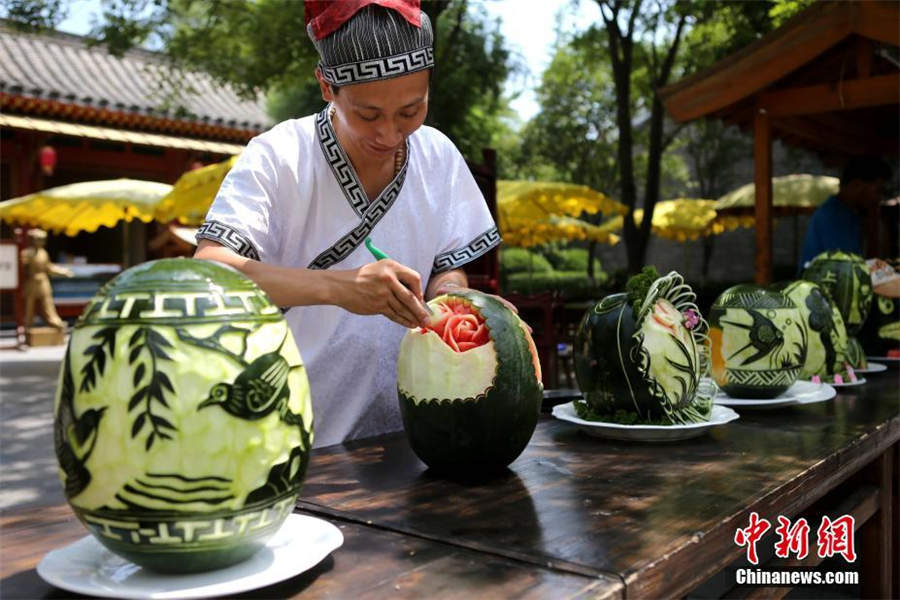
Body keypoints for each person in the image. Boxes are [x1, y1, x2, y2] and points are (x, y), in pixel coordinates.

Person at [194, 0, 500, 447]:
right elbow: (211, 272)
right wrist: (343, 287)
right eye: (368, 115)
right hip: (288, 435)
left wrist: (453, 298)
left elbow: (445, 265)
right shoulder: (280, 156)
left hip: (410, 433)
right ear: (326, 86)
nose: (390, 134)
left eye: (411, 112)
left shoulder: (437, 155)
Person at [799, 156, 892, 268]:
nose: (879, 198)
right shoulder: (832, 216)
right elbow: (851, 271)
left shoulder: (852, 214)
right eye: (878, 191)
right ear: (857, 185)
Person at [20, 228, 73, 330]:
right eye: (39, 239)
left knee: (48, 302)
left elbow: (49, 267)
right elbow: (21, 268)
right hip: (31, 281)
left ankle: (54, 321)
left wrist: (63, 272)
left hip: (43, 281)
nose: (41, 242)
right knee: (29, 305)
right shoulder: (26, 253)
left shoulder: (43, 253)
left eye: (42, 239)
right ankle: (28, 325)